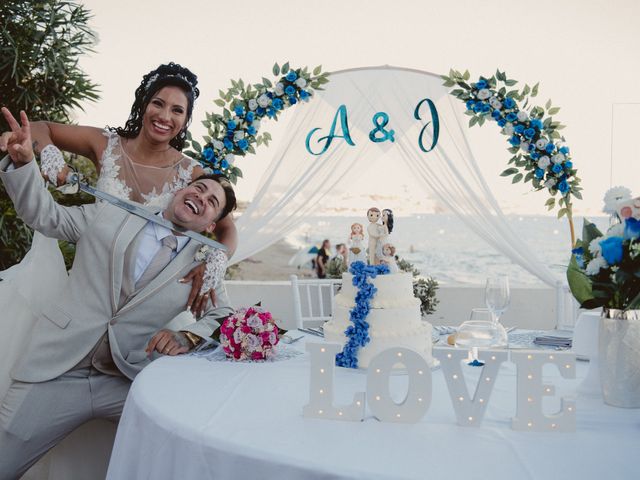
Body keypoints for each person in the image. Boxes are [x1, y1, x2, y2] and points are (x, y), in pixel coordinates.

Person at [0, 110, 236, 478]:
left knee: (184, 450)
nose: (201, 197)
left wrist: (186, 336)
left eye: (212, 202)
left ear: (210, 224)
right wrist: (24, 164)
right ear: (181, 190)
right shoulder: (108, 215)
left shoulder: (203, 264)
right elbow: (45, 215)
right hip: (57, 369)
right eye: (199, 188)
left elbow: (223, 315)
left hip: (127, 381)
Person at [0, 62, 237, 317]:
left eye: (177, 110)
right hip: (92, 291)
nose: (165, 116)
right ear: (144, 104)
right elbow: (37, 128)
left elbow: (226, 228)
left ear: (185, 120)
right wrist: (49, 154)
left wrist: (216, 261)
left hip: (143, 314)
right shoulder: (105, 144)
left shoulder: (192, 175)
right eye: (158, 103)